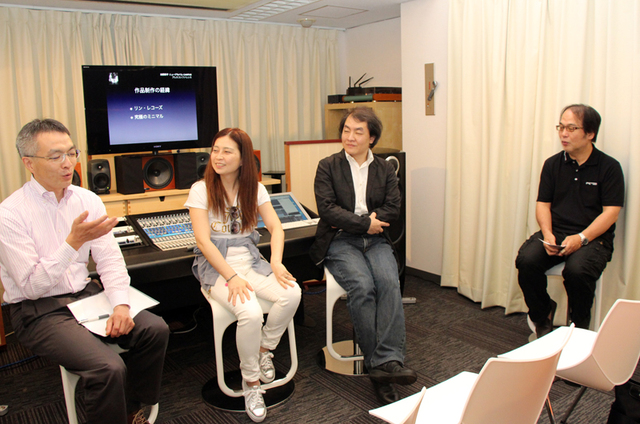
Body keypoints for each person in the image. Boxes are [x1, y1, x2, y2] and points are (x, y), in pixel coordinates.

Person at [0, 119, 170, 424]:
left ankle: (130, 410)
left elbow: (110, 260)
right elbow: (31, 287)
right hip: (37, 310)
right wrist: (72, 243)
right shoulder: (10, 214)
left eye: (71, 153)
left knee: (154, 329)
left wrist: (121, 305)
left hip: (85, 295)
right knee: (108, 368)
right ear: (29, 163)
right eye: (55, 156)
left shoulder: (87, 199)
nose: (68, 164)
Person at [186, 128, 301, 423]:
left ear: (242, 159)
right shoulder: (200, 189)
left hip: (250, 262)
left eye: (227, 151)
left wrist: (276, 262)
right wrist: (231, 277)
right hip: (218, 268)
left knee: (292, 293)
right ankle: (251, 382)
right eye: (215, 150)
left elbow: (276, 228)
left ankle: (263, 349)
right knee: (250, 313)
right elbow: (203, 242)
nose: (218, 157)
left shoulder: (256, 189)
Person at [310, 107, 417, 405]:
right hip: (341, 240)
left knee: (389, 283)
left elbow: (393, 207)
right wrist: (364, 223)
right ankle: (378, 366)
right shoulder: (327, 166)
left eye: (358, 131)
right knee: (362, 286)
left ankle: (388, 361)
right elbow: (327, 209)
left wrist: (367, 223)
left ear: (372, 138)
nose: (350, 136)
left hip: (376, 239)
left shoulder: (384, 169)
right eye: (346, 130)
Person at [516, 104, 625, 338]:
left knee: (577, 272)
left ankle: (578, 326)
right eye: (561, 127)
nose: (563, 134)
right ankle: (542, 314)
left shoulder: (609, 167)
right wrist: (547, 234)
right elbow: (543, 204)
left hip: (594, 238)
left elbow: (611, 213)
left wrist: (581, 238)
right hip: (556, 232)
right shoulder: (552, 164)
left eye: (572, 128)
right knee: (526, 261)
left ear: (590, 133)